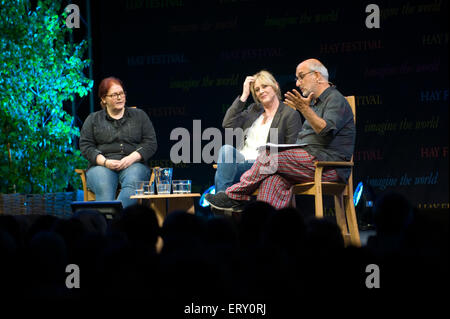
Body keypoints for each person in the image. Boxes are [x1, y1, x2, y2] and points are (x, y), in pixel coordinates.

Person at [206, 59, 355, 211]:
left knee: (269, 156)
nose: (297, 83)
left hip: (326, 167)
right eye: (297, 78)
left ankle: (233, 196)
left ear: (317, 75)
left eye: (301, 77)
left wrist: (304, 109)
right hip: (308, 163)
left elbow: (326, 130)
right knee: (272, 181)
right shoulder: (314, 105)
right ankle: (265, 229)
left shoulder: (335, 99)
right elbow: (228, 124)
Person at [214, 70, 302, 193]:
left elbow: (291, 150)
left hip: (263, 165)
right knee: (226, 150)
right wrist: (244, 95)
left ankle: (223, 201)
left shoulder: (289, 114)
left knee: (220, 174)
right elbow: (228, 124)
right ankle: (223, 200)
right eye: (257, 89)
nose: (261, 91)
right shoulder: (253, 110)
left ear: (276, 86)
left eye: (265, 86)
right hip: (242, 160)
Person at [79, 77, 157, 208]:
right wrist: (104, 162)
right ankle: (109, 224)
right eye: (114, 95)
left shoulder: (139, 116)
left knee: (134, 181)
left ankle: (114, 222)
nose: (119, 97)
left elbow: (150, 143)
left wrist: (131, 158)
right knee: (104, 184)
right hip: (101, 166)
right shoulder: (93, 119)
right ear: (104, 99)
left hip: (134, 165)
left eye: (121, 93)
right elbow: (86, 146)